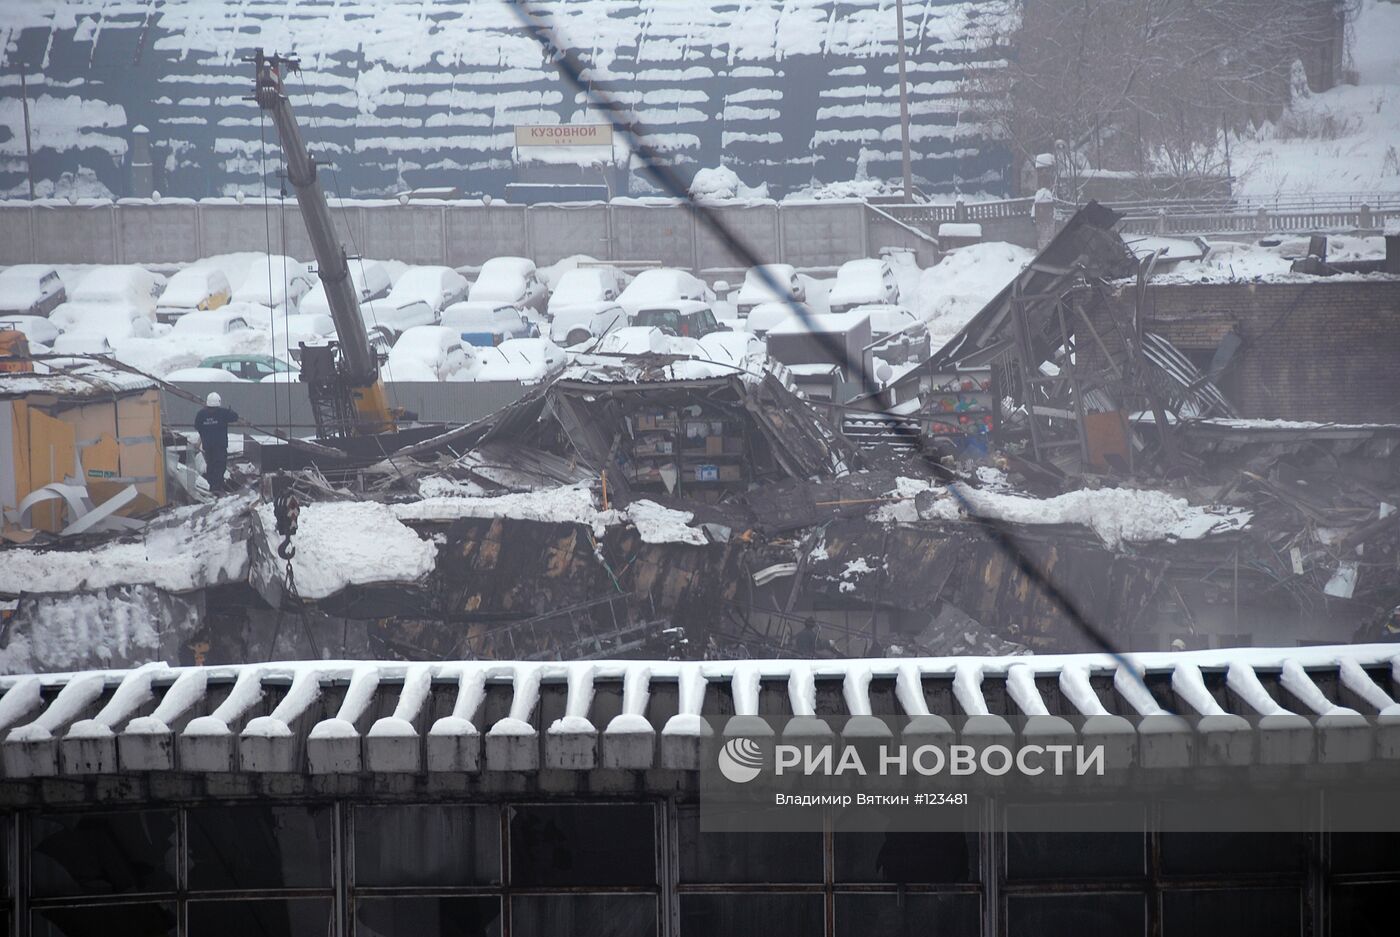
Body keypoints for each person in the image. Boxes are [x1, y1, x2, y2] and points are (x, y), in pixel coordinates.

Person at [194, 392, 239, 493]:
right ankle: (217, 487)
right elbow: (235, 416)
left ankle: (211, 485)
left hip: (208, 446)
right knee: (220, 466)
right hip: (220, 446)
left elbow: (197, 426)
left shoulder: (201, 414)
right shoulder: (223, 413)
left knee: (211, 465)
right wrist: (230, 411)